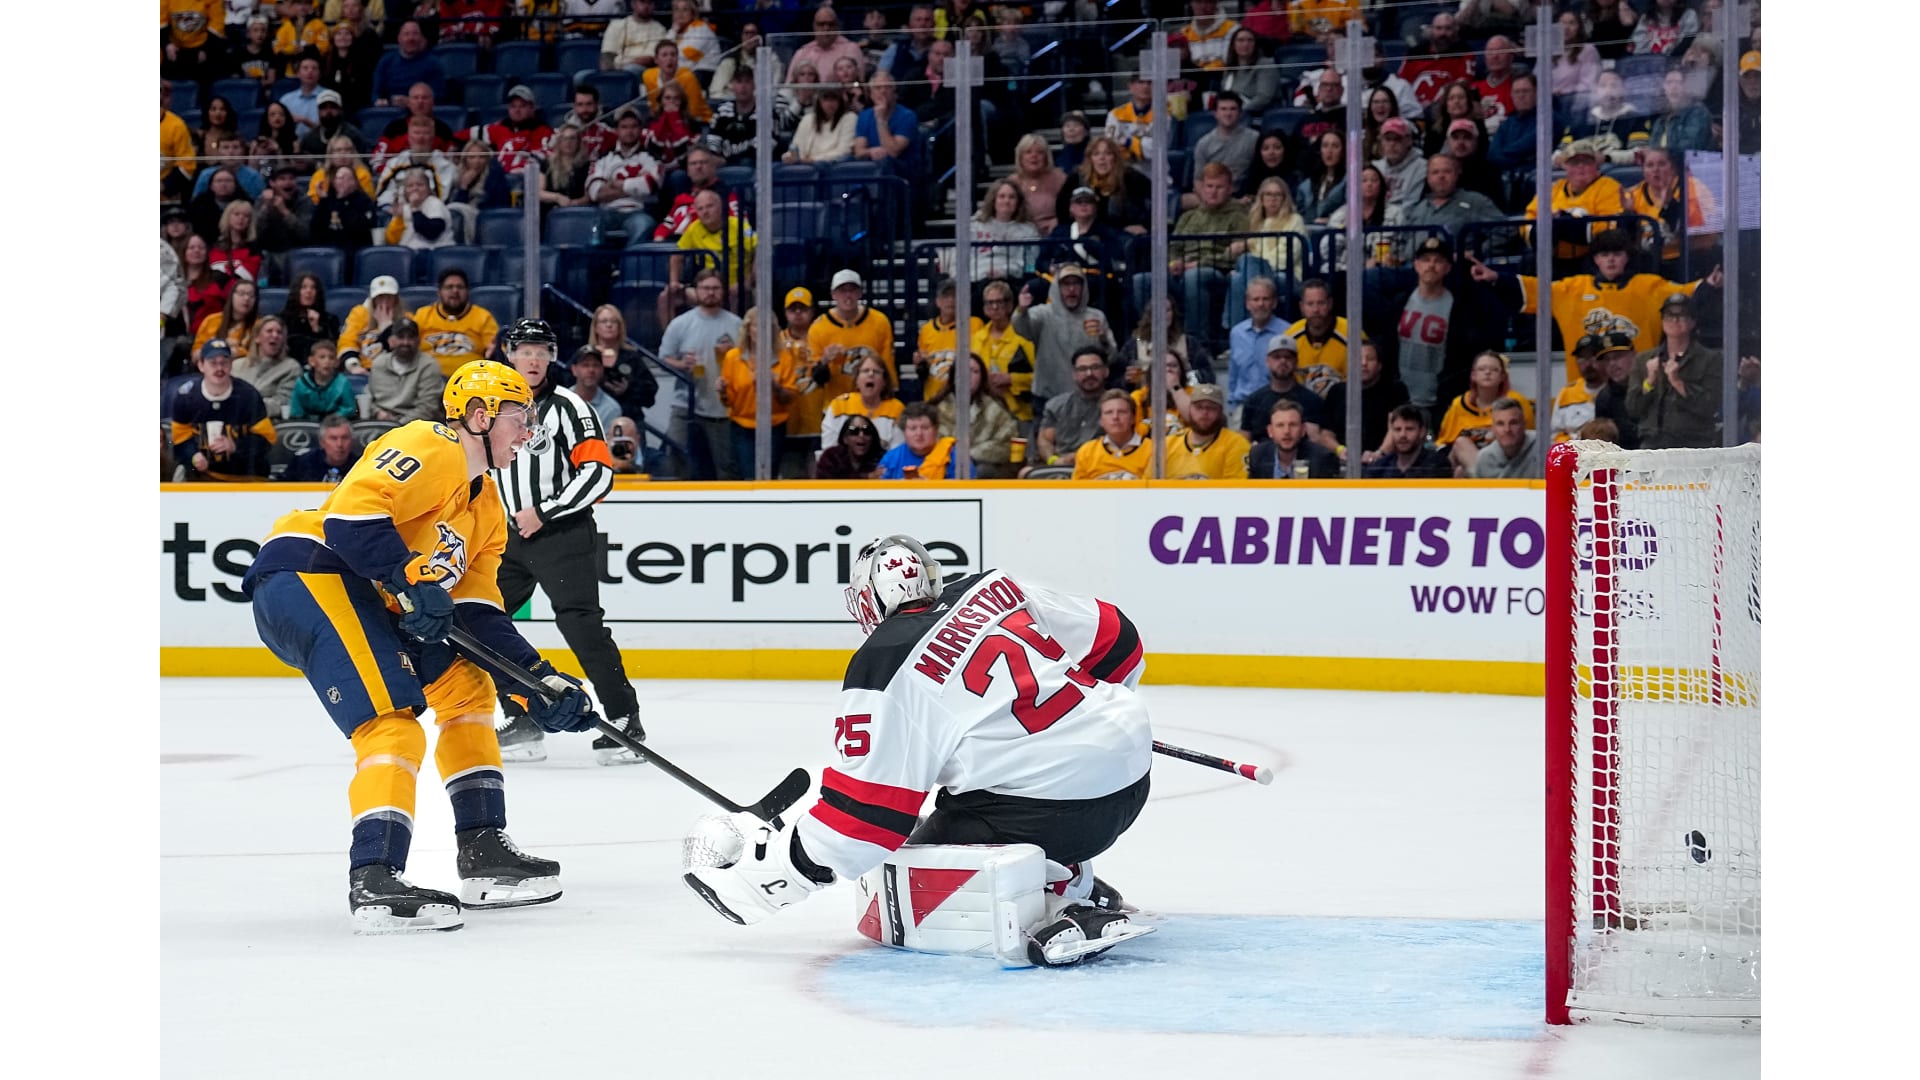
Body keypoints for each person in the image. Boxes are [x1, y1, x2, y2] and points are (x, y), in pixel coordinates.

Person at [682, 533, 1155, 965]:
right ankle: (1065, 871)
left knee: (908, 881)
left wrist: (761, 879)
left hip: (1055, 809)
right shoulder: (994, 587)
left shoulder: (885, 660)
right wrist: (1081, 719)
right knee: (960, 808)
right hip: (1132, 776)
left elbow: (862, 823)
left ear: (868, 598)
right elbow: (1118, 638)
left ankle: (1054, 907)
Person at [242, 358, 594, 933]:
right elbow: (351, 517)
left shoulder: (488, 510)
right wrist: (409, 578)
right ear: (478, 416)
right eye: (519, 416)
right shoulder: (432, 443)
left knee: (467, 688)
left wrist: (537, 681)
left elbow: (477, 614)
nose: (527, 431)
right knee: (392, 723)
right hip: (308, 572)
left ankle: (483, 847)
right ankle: (374, 876)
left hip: (365, 593)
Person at [482, 321, 646, 767]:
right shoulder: (496, 407)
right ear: (509, 354)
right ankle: (521, 717)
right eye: (525, 351)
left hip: (562, 533)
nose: (533, 360)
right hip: (507, 536)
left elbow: (599, 474)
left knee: (582, 627)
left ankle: (625, 719)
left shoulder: (570, 407)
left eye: (541, 351)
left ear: (552, 357)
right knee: (483, 623)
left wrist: (545, 510)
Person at [1469, 228, 1722, 385]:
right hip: (1584, 389)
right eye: (1604, 255)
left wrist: (1710, 283)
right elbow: (1529, 289)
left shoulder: (1650, 287)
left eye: (1617, 254)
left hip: (1639, 386)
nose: (1610, 260)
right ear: (1595, 259)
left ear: (1627, 257)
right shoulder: (1572, 289)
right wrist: (1495, 277)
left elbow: (1688, 294)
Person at [1134, 163, 1244, 353]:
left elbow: (1237, 253)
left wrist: (1199, 263)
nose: (1213, 192)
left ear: (1229, 189)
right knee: (1141, 280)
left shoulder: (1239, 216)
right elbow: (1174, 247)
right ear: (1201, 187)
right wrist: (1173, 263)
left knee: (1195, 276)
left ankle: (1196, 343)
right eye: (1209, 186)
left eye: (1219, 187)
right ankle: (1148, 338)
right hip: (1182, 272)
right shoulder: (1188, 217)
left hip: (1218, 273)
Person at [658, 269, 745, 480]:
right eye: (705, 288)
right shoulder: (681, 323)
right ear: (696, 290)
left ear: (723, 291)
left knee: (726, 466)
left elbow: (748, 361)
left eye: (715, 288)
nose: (710, 293)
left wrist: (732, 357)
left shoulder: (736, 324)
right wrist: (681, 364)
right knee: (676, 456)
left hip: (722, 407)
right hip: (685, 403)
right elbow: (663, 359)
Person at [1625, 292, 1722, 449]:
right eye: (1669, 315)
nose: (1675, 320)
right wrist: (1649, 381)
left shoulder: (1711, 359)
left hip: (1694, 444)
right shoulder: (1644, 360)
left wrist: (1678, 383)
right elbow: (1633, 408)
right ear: (1662, 321)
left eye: (1682, 315)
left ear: (1692, 321)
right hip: (1652, 443)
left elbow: (1710, 406)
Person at [171, 340, 278, 482]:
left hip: (247, 477)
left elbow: (267, 439)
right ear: (201, 365)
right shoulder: (186, 396)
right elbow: (179, 440)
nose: (219, 368)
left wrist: (235, 445)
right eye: (213, 363)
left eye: (224, 362)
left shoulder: (248, 395)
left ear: (231, 364)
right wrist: (193, 456)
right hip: (204, 476)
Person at [1014, 266, 1117, 410]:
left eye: (1076, 283)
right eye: (1066, 284)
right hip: (1047, 398)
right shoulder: (1042, 314)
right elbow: (1021, 329)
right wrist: (1021, 311)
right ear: (1056, 287)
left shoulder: (1096, 317)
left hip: (1088, 397)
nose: (1071, 289)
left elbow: (1112, 357)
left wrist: (1103, 340)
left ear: (1084, 287)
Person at [718, 307, 799, 479]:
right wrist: (723, 391)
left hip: (774, 426)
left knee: (769, 476)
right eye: (756, 326)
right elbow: (728, 401)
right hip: (742, 426)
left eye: (766, 326)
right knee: (748, 475)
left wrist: (774, 385)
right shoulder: (733, 357)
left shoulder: (784, 357)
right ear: (748, 330)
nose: (761, 331)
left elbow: (790, 397)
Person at [1436, 350, 1537, 476]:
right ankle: (1482, 479)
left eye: (1494, 370)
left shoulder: (1517, 402)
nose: (1487, 372)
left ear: (1502, 376)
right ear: (1473, 375)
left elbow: (1527, 440)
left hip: (1509, 463)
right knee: (1461, 444)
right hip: (1469, 464)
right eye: (1482, 369)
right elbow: (1443, 444)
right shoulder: (1458, 404)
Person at [1312, 337, 1409, 463]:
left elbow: (1397, 427)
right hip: (1343, 463)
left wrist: (1379, 454)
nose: (1364, 363)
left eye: (1370, 359)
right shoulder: (1337, 392)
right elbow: (1325, 433)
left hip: (1386, 462)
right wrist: (1340, 450)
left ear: (1379, 365)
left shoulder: (1395, 390)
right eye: (1358, 358)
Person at [1624, 146, 1716, 277]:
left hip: (1689, 259)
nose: (1656, 170)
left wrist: (1670, 206)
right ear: (1643, 171)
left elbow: (1700, 234)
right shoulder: (1632, 195)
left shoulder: (1693, 187)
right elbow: (1623, 242)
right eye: (1650, 165)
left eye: (1662, 164)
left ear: (1673, 168)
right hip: (1648, 262)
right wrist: (1628, 214)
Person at [928, 354, 1021, 478]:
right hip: (943, 466)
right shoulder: (936, 409)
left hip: (985, 470)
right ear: (954, 376)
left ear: (982, 377)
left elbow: (1006, 445)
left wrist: (971, 454)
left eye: (975, 371)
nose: (968, 375)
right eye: (963, 370)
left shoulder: (996, 409)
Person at [588, 109, 666, 243]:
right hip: (607, 212)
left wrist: (616, 184)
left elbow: (651, 185)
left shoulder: (652, 157)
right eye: (624, 127)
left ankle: (632, 258)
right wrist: (636, 187)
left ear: (641, 129)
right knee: (590, 225)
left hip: (639, 212)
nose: (629, 131)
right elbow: (595, 193)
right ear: (616, 130)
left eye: (634, 126)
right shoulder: (603, 158)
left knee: (643, 225)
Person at [412, 268, 500, 378]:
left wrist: (493, 349)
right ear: (439, 292)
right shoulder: (423, 314)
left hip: (470, 379)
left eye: (460, 287)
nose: (455, 291)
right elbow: (409, 342)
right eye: (449, 287)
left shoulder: (483, 316)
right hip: (428, 378)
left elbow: (493, 348)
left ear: (467, 292)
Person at [1237, 337, 1326, 447]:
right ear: (1267, 361)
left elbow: (1316, 442)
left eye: (1288, 357)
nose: (1283, 361)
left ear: (1296, 361)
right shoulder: (1253, 400)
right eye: (1277, 357)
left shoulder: (1313, 401)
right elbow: (1244, 437)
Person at [1224, 275, 1287, 426]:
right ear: (1247, 303)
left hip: (1277, 406)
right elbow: (1233, 373)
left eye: (1265, 299)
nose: (1261, 304)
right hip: (1243, 406)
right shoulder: (1237, 333)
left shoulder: (1287, 332)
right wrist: (1232, 405)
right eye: (1256, 299)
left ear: (1274, 302)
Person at [1035, 346, 1113, 468]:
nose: (1089, 374)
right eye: (1082, 369)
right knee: (1025, 472)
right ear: (1074, 374)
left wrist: (1081, 456)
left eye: (1095, 367)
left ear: (1106, 371)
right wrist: (1053, 460)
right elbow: (1045, 440)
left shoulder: (1118, 405)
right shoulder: (1056, 405)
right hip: (1062, 467)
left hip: (1103, 465)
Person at [913, 278, 984, 403]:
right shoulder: (926, 330)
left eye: (955, 295)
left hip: (963, 399)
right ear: (938, 301)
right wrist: (919, 363)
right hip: (934, 399)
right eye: (946, 296)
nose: (951, 300)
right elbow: (923, 372)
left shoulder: (974, 324)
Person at [366, 316, 446, 423]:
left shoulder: (428, 365)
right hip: (380, 423)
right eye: (401, 337)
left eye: (410, 337)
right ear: (391, 341)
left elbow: (428, 408)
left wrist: (398, 426)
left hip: (416, 425)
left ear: (418, 341)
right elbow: (367, 397)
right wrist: (377, 412)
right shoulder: (379, 364)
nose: (405, 342)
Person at [1164, 384, 1251, 481]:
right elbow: (1153, 482)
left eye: (1211, 408)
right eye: (1199, 407)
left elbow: (1236, 487)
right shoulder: (1168, 444)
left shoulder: (1236, 444)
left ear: (1220, 411)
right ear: (1190, 409)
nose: (1204, 412)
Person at [822, 355, 906, 451]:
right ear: (857, 380)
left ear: (884, 382)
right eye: (865, 371)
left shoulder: (896, 409)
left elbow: (898, 451)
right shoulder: (839, 406)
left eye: (876, 372)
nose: (871, 374)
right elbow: (829, 449)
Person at [1398, 10, 1474, 108]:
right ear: (1431, 30)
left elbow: (1464, 83)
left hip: (1446, 108)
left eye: (1448, 28)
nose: (1443, 33)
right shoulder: (1415, 52)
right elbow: (1401, 84)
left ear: (1455, 30)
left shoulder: (1463, 52)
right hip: (1413, 108)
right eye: (1439, 28)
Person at [1284, 279, 1350, 392]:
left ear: (1330, 304)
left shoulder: (1350, 332)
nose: (1315, 310)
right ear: (1301, 307)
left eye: (1321, 303)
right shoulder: (1291, 336)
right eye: (1310, 304)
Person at [1249, 398, 1339, 479]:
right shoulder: (1258, 455)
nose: (1286, 431)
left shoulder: (1322, 459)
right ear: (1270, 431)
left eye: (1293, 425)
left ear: (1303, 430)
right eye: (1280, 425)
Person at [1071, 390, 1151, 481]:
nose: (1115, 417)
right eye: (1109, 412)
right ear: (1101, 421)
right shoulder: (1087, 452)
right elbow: (1077, 488)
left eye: (1122, 412)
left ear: (1133, 418)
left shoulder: (1153, 451)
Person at [233, 314, 303, 417]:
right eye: (269, 331)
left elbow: (283, 402)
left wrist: (247, 406)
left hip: (271, 422)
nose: (275, 335)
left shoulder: (291, 368)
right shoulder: (236, 366)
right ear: (257, 338)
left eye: (279, 332)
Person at [1191, 92, 1258, 197]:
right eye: (1223, 109)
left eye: (1233, 109)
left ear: (1240, 113)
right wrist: (1209, 199)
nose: (1228, 113)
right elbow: (1198, 180)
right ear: (1216, 113)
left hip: (1243, 195)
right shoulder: (1203, 143)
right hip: (1213, 196)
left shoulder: (1255, 138)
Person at [1362, 404, 1452, 478]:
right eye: (1397, 429)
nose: (1403, 435)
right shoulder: (1381, 467)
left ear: (1422, 432)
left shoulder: (1437, 465)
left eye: (1409, 429)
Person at [370, 19, 446, 106]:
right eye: (406, 34)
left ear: (421, 38)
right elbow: (375, 94)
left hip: (421, 110)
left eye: (415, 34)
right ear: (399, 38)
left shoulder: (433, 63)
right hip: (390, 109)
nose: (411, 38)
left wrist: (411, 102)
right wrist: (384, 102)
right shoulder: (386, 61)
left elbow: (438, 96)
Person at [872, 403, 958, 479]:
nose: (919, 433)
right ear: (904, 432)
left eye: (925, 428)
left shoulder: (952, 454)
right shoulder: (891, 459)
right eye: (913, 428)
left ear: (936, 429)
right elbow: (879, 489)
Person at [338, 274, 402, 374]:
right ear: (373, 300)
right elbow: (347, 342)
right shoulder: (359, 314)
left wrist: (387, 327)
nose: (384, 303)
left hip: (394, 371)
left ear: (396, 299)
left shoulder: (406, 318)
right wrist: (353, 365)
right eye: (380, 298)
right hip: (363, 369)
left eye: (389, 297)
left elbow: (404, 351)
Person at [1465, 398, 1541, 478]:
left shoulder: (1543, 447)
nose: (1507, 429)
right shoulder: (1485, 459)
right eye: (1500, 424)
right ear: (1493, 429)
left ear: (1524, 425)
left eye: (1513, 423)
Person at [643, 38, 713, 125]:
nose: (669, 58)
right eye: (664, 55)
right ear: (656, 60)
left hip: (698, 121)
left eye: (673, 55)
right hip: (665, 121)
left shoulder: (688, 77)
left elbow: (693, 112)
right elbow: (654, 107)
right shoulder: (648, 76)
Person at [280, 411, 362, 484]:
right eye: (333, 438)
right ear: (322, 442)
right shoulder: (303, 463)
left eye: (344, 438)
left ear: (351, 441)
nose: (339, 444)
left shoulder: (361, 466)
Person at [1647, 67, 1714, 154]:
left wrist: (1663, 154)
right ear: (1664, 88)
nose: (1674, 87)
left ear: (1687, 87)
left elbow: (1690, 147)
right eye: (1669, 82)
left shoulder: (1698, 113)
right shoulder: (1661, 120)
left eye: (1679, 82)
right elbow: (1653, 149)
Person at [383, 168, 454, 250]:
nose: (415, 189)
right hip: (409, 252)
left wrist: (415, 209)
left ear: (428, 189)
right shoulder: (405, 208)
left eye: (420, 185)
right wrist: (399, 218)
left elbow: (432, 234)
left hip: (435, 252)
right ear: (405, 191)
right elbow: (392, 240)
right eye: (410, 186)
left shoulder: (435, 203)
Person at [785, 83, 857, 165]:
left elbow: (844, 151)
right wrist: (789, 157)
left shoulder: (849, 118)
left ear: (840, 101)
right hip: (805, 164)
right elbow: (796, 146)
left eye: (834, 99)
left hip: (832, 165)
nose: (829, 103)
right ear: (819, 101)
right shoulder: (808, 119)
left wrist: (814, 160)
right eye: (826, 99)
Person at [1005, 133, 1063, 234]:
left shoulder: (1059, 178)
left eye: (1039, 152)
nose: (1034, 156)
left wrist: (1059, 221)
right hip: (1020, 233)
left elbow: (1072, 208)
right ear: (1020, 157)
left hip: (1053, 233)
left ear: (1046, 157)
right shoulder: (1012, 182)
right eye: (1028, 152)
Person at [288, 340, 358, 420]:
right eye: (322, 357)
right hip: (307, 424)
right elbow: (296, 411)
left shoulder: (343, 383)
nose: (327, 361)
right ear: (311, 361)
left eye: (331, 358)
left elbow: (349, 409)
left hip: (335, 423)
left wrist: (330, 418)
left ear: (336, 362)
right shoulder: (301, 383)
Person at [194, 278, 259, 363]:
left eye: (251, 295)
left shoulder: (259, 326)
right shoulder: (211, 320)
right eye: (241, 293)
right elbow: (195, 355)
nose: (246, 298)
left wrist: (236, 352)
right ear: (231, 296)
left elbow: (260, 355)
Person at [1371, 118, 1426, 217]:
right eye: (1388, 139)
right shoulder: (1375, 167)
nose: (1392, 144)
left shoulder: (1422, 167)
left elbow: (1411, 205)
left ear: (1409, 141)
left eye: (1397, 139)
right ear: (1381, 142)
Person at [1218, 27, 1281, 115]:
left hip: (1258, 115)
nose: (1245, 44)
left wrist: (1238, 112)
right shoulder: (1229, 68)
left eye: (1250, 40)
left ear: (1255, 44)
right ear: (1233, 45)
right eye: (1240, 40)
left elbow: (1264, 97)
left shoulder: (1266, 64)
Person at [565, 346, 625, 433]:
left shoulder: (611, 408)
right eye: (585, 365)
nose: (591, 370)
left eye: (596, 365)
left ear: (602, 370)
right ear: (574, 370)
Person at [601, 0, 667, 74]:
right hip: (616, 71)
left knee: (632, 69)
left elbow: (649, 59)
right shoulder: (616, 25)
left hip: (644, 71)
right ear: (633, 4)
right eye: (642, 2)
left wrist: (624, 65)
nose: (646, 6)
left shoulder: (660, 30)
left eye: (649, 3)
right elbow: (607, 55)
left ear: (654, 6)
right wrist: (608, 75)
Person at [1297, 130, 1347, 224]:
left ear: (1343, 151)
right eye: (1325, 146)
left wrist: (1330, 220)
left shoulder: (1348, 181)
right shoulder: (1306, 185)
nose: (1329, 151)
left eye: (1335, 146)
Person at [812, 415, 885, 479]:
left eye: (867, 431)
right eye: (854, 431)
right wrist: (866, 478)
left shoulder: (882, 458)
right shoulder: (830, 457)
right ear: (845, 438)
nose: (861, 435)